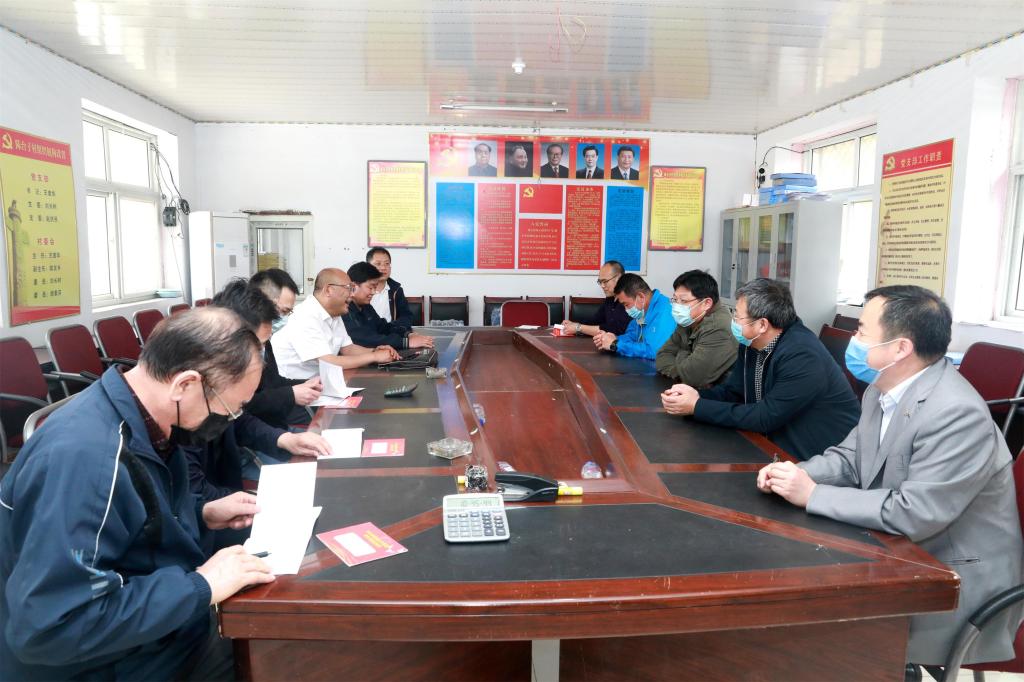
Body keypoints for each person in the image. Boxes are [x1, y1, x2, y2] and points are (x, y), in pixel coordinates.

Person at [0, 307, 276, 681]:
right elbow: (51, 628)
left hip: (156, 625)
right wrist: (201, 586)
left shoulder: (137, 415)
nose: (229, 420)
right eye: (231, 408)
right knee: (278, 653)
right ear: (185, 384)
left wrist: (201, 512)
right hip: (105, 664)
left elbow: (129, 520)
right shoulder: (87, 461)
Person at [757, 285, 1023, 668]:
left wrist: (812, 494)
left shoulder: (956, 414)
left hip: (951, 584)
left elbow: (914, 512)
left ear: (900, 348)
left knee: (809, 633)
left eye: (862, 331)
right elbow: (851, 459)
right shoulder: (883, 389)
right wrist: (795, 474)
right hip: (901, 553)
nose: (853, 339)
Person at [661, 278, 859, 460]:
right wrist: (694, 396)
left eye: (737, 316)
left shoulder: (802, 354)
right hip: (771, 445)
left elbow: (766, 416)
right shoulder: (751, 342)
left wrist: (697, 406)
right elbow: (734, 392)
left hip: (820, 457)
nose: (733, 321)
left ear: (762, 325)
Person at [195, 281, 329, 498]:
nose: (260, 355)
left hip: (233, 475)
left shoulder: (224, 376)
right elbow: (191, 495)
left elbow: (237, 419)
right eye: (257, 347)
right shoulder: (194, 391)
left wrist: (284, 439)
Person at [272, 267, 399, 380]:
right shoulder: (305, 316)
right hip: (295, 388)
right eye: (349, 288)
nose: (352, 294)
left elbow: (348, 349)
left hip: (320, 383)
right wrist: (374, 357)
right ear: (329, 290)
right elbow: (328, 362)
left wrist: (375, 351)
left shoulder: (334, 313)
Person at [248, 269, 323, 429]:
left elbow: (274, 382)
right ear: (259, 302)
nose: (282, 318)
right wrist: (291, 394)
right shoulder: (240, 343)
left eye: (288, 312)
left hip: (274, 424)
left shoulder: (265, 338)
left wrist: (307, 384)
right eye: (282, 311)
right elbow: (246, 403)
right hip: (261, 429)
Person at [655, 270, 737, 387]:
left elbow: (692, 377)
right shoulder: (689, 319)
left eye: (683, 301)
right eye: (675, 300)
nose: (677, 306)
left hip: (720, 395)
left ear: (706, 303)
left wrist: (682, 353)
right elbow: (662, 355)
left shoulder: (718, 328)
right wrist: (681, 369)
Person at [342, 262, 434, 350]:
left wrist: (407, 334)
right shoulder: (343, 309)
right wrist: (406, 342)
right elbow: (364, 339)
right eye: (370, 287)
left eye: (375, 288)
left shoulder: (366, 307)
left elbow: (383, 327)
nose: (373, 292)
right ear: (353, 287)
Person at [593, 273, 674, 360]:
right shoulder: (642, 311)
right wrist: (611, 339)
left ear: (640, 297)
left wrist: (615, 344)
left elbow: (655, 352)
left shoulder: (667, 311)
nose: (626, 309)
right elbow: (632, 336)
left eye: (626, 304)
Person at [560, 260, 631, 336]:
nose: (602, 286)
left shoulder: (629, 300)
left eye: (605, 281)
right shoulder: (610, 298)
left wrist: (579, 328)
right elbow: (596, 320)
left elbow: (616, 330)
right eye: (600, 282)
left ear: (619, 278)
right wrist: (574, 324)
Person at [366, 246, 414, 329]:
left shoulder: (396, 290)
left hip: (390, 333)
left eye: (387, 264)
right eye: (378, 264)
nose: (383, 268)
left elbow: (406, 317)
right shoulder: (360, 290)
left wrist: (389, 328)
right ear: (368, 266)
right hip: (365, 334)